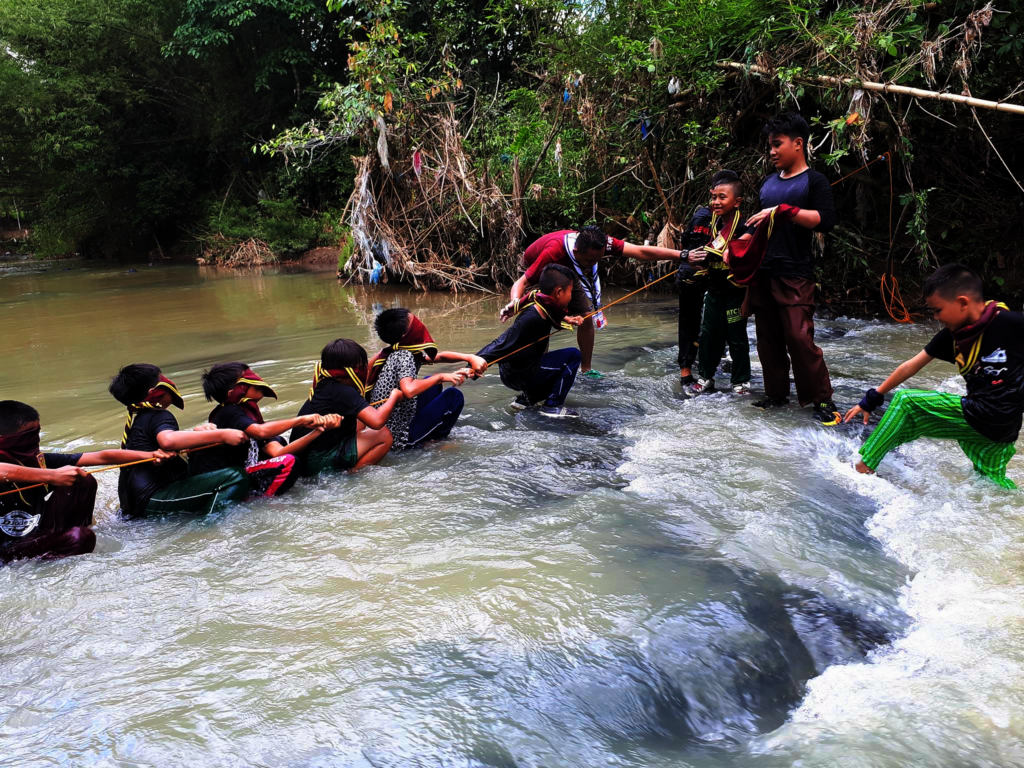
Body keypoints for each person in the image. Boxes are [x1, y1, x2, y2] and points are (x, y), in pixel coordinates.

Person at [844, 264, 1024, 489]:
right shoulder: (953, 337)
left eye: (938, 310)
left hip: (987, 416)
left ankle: (864, 467)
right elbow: (909, 367)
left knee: (906, 402)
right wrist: (871, 399)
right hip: (1005, 430)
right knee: (992, 485)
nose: (936, 317)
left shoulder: (1012, 324)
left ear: (962, 302)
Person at [744, 112, 840, 425]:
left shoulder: (815, 180)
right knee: (768, 339)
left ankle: (821, 399)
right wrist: (734, 247)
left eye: (777, 144)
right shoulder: (768, 183)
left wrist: (786, 211)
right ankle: (776, 394)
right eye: (769, 145)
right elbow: (756, 225)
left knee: (799, 337)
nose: (771, 151)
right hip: (763, 272)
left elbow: (825, 220)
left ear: (798, 144)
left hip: (795, 271)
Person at [0, 400, 172, 564]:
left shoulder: (39, 461)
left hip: (35, 533)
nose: (34, 441)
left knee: (81, 480)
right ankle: (46, 553)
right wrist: (52, 476)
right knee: (79, 538)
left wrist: (150, 455)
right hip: (6, 551)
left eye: (36, 432)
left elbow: (100, 456)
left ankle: (53, 539)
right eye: (27, 436)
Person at [507, 225, 684, 379]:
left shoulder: (600, 243)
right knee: (541, 319)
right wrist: (514, 304)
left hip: (568, 272)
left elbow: (640, 251)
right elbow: (521, 283)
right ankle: (539, 369)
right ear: (576, 252)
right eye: (590, 261)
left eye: (598, 259)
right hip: (540, 272)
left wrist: (682, 255)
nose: (593, 264)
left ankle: (586, 369)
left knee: (586, 316)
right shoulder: (554, 251)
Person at [109, 364, 252, 517]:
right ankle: (209, 527)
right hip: (151, 500)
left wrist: (197, 433)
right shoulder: (159, 415)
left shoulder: (138, 420)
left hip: (132, 504)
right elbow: (168, 441)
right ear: (156, 392)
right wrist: (223, 434)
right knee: (235, 477)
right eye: (164, 379)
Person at [194, 363, 342, 497]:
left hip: (239, 473)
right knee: (288, 461)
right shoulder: (229, 412)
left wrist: (318, 431)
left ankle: (258, 496)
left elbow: (278, 453)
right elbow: (261, 432)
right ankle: (260, 501)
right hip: (220, 481)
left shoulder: (250, 414)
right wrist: (300, 420)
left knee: (281, 442)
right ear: (234, 392)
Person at [680, 170, 754, 397]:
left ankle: (741, 381)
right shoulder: (711, 224)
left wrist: (748, 300)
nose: (716, 202)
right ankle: (705, 377)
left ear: (737, 201)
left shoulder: (747, 226)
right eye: (713, 197)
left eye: (722, 197)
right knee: (709, 335)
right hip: (712, 290)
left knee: (736, 336)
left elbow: (749, 262)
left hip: (736, 292)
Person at [367, 309, 484, 450]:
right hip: (399, 436)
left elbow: (438, 357)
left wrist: (470, 357)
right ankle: (434, 441)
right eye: (415, 322)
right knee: (454, 396)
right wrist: (440, 376)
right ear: (406, 335)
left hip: (393, 421)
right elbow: (409, 390)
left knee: (431, 383)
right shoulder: (404, 356)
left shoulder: (397, 350)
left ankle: (425, 431)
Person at [481, 264, 584, 418]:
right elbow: (502, 342)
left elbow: (554, 311)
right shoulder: (531, 317)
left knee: (551, 362)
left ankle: (527, 399)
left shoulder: (541, 303)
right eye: (570, 292)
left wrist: (568, 319)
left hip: (519, 369)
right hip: (517, 373)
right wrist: (474, 363)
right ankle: (552, 406)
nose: (571, 297)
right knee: (572, 356)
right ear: (559, 292)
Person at [290, 338, 405, 474]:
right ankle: (353, 474)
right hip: (315, 462)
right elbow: (377, 422)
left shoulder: (325, 382)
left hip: (301, 458)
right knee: (383, 435)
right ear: (352, 372)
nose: (365, 370)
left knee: (361, 419)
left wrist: (383, 353)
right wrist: (393, 397)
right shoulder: (344, 391)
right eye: (361, 367)